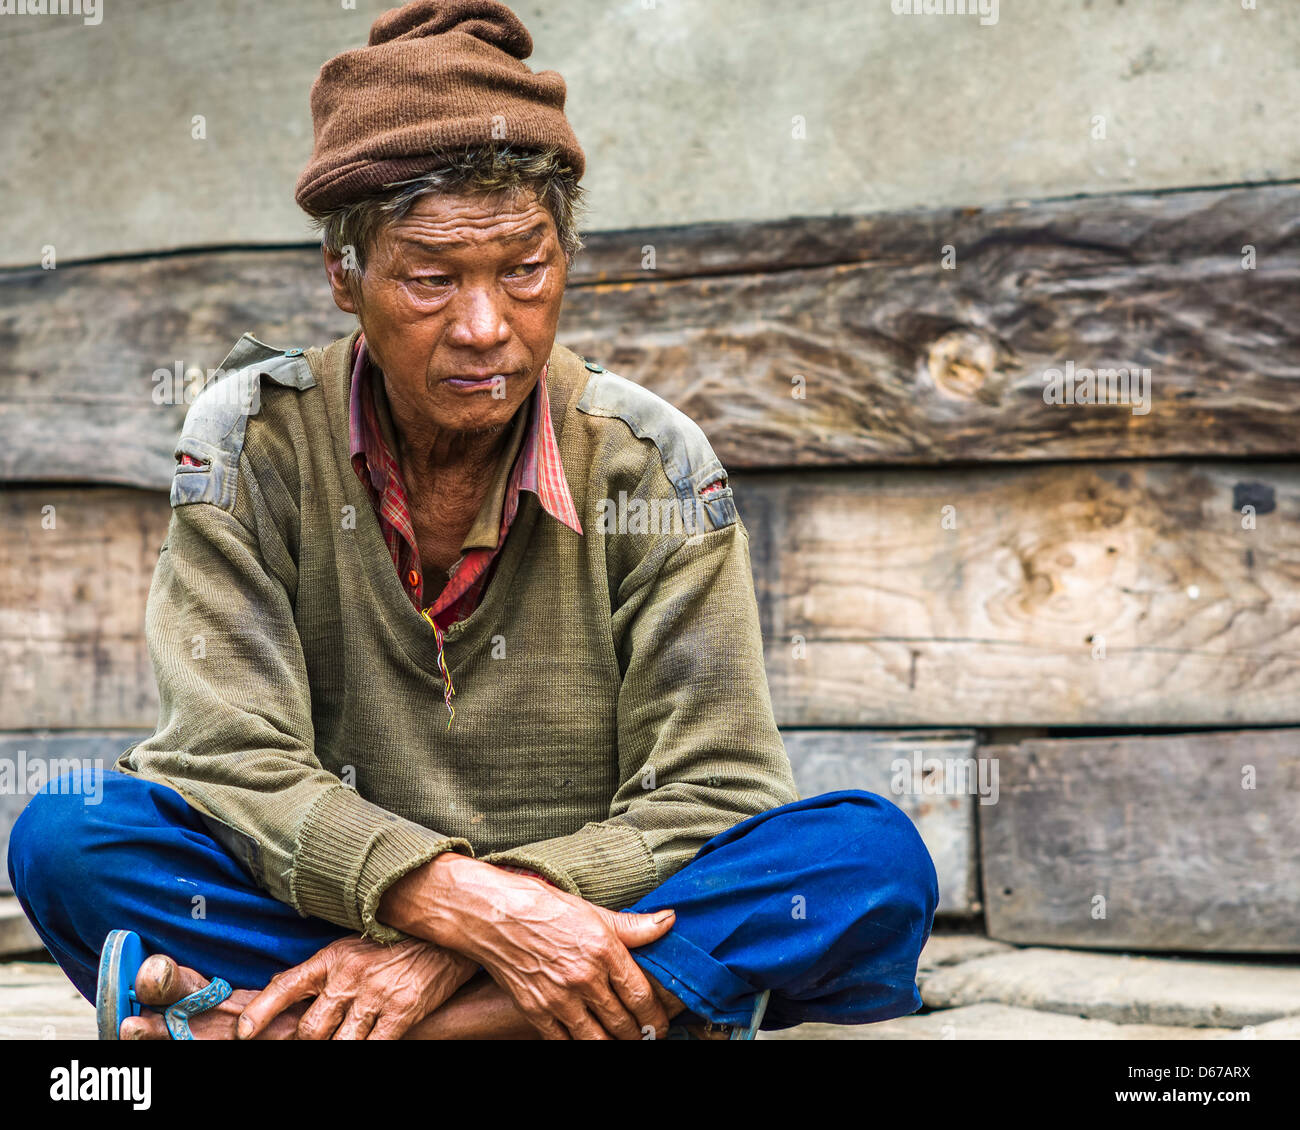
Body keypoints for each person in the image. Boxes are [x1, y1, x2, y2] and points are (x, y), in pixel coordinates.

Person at [8, 0, 937, 1040]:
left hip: (589, 899)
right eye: (432, 277)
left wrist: (453, 941)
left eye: (526, 270)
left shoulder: (652, 461)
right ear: (344, 277)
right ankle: (634, 1007)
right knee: (71, 830)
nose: (487, 327)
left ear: (567, 261)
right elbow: (229, 759)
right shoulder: (250, 440)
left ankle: (283, 1026)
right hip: (374, 905)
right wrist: (465, 907)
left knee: (864, 860)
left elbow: (716, 788)